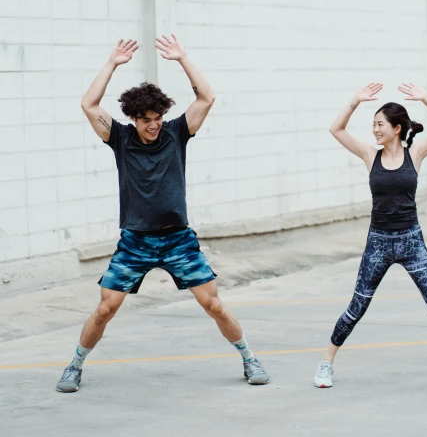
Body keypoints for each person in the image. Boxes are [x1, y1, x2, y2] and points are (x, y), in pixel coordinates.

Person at [56, 35, 269, 393]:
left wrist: (183, 59)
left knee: (213, 304)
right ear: (133, 118)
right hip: (135, 240)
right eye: (146, 119)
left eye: (157, 118)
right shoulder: (120, 139)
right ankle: (75, 365)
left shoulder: (177, 133)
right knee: (106, 308)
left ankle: (249, 357)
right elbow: (88, 103)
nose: (153, 125)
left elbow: (207, 98)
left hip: (177, 239)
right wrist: (111, 63)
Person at [313, 82, 427, 391]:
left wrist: (426, 99)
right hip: (378, 242)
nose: (375, 130)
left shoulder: (415, 153)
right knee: (357, 306)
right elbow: (336, 129)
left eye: (379, 124)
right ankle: (326, 364)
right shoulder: (369, 155)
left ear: (396, 128)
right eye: (373, 124)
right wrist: (355, 101)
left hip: (411, 241)